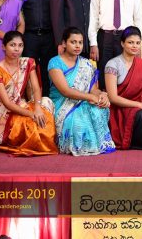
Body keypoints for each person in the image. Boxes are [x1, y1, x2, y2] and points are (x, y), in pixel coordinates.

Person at [48, 27, 115, 156]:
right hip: (63, 104)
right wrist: (90, 97)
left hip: (84, 100)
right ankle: (78, 146)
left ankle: (96, 145)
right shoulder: (55, 62)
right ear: (64, 43)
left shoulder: (86, 64)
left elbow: (93, 89)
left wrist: (101, 95)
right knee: (79, 119)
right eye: (73, 42)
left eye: (80, 42)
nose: (77, 46)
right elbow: (65, 91)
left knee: (99, 109)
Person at [0, 31, 57, 156]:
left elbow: (36, 88)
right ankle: (35, 143)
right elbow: (7, 103)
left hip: (21, 103)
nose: (17, 49)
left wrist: (37, 108)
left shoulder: (27, 63)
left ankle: (42, 141)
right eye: (12, 45)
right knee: (28, 123)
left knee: (46, 103)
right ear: (3, 47)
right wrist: (31, 114)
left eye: (20, 45)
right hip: (5, 110)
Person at [105, 26, 142, 150]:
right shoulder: (113, 64)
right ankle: (141, 142)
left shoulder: (141, 63)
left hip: (141, 100)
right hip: (122, 107)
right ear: (122, 43)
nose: (135, 46)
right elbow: (113, 98)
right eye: (130, 42)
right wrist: (139, 105)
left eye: (138, 43)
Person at [89, 0, 142, 90]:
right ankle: (104, 100)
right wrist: (93, 43)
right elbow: (93, 18)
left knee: (125, 72)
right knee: (104, 71)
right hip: (105, 37)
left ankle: (121, 100)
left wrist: (138, 44)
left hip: (126, 37)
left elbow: (139, 19)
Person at [14, 0, 56, 93]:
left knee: (48, 71)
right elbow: (15, 13)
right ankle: (28, 101)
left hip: (49, 37)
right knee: (27, 69)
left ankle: (47, 100)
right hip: (29, 36)